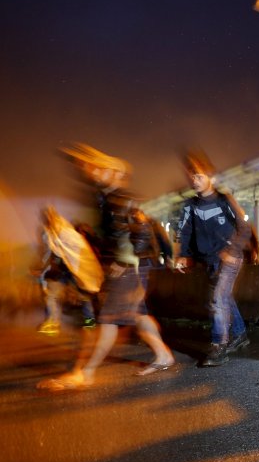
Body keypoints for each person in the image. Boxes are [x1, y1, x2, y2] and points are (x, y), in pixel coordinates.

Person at [39, 146, 175, 390]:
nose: (96, 173)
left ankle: (86, 373)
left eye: (103, 170)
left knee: (108, 319)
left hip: (130, 265)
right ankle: (163, 355)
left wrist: (122, 262)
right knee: (139, 315)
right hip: (133, 264)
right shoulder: (107, 197)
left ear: (115, 174)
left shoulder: (123, 198)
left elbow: (142, 232)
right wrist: (78, 159)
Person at [175, 150, 252, 368]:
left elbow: (244, 228)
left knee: (218, 298)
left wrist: (232, 249)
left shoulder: (225, 200)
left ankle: (219, 344)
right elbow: (186, 232)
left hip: (231, 258)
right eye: (192, 176)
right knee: (225, 297)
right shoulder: (190, 205)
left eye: (199, 176)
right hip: (209, 260)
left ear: (212, 178)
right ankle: (240, 335)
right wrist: (183, 255)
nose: (194, 180)